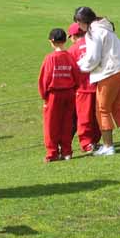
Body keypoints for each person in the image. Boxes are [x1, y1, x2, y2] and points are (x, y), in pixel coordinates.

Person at [75, 6, 120, 156]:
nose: (79, 27)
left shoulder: (92, 32)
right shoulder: (104, 27)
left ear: (83, 21)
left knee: (102, 109)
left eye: (78, 23)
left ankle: (108, 146)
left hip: (111, 72)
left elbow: (93, 58)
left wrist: (79, 66)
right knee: (117, 106)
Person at [39, 28, 79, 162]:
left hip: (54, 95)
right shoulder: (70, 56)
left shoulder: (50, 58)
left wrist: (44, 96)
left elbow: (45, 79)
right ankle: (67, 151)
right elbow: (76, 75)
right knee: (67, 123)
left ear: (51, 41)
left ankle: (52, 153)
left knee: (51, 125)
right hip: (69, 93)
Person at [67, 23, 101, 153]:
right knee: (97, 116)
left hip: (82, 88)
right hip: (98, 85)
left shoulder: (72, 50)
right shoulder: (95, 44)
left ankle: (87, 144)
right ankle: (95, 141)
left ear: (74, 36)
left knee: (84, 118)